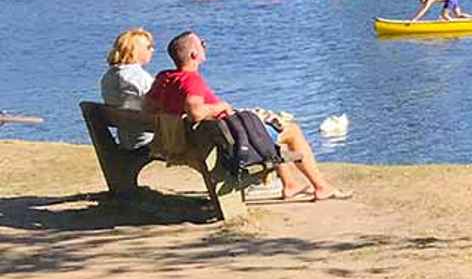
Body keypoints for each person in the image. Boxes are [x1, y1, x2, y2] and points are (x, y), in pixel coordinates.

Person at [147, 31, 350, 201]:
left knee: (265, 123)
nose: (205, 47)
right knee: (292, 131)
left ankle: (290, 184)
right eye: (203, 44)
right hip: (229, 143)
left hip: (195, 140)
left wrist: (175, 117)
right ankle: (321, 187)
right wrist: (221, 106)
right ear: (193, 54)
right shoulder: (192, 80)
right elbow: (196, 112)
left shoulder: (164, 77)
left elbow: (149, 105)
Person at [101, 28, 158, 151]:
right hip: (147, 141)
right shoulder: (139, 78)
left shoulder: (108, 77)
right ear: (135, 51)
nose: (152, 50)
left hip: (126, 139)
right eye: (149, 47)